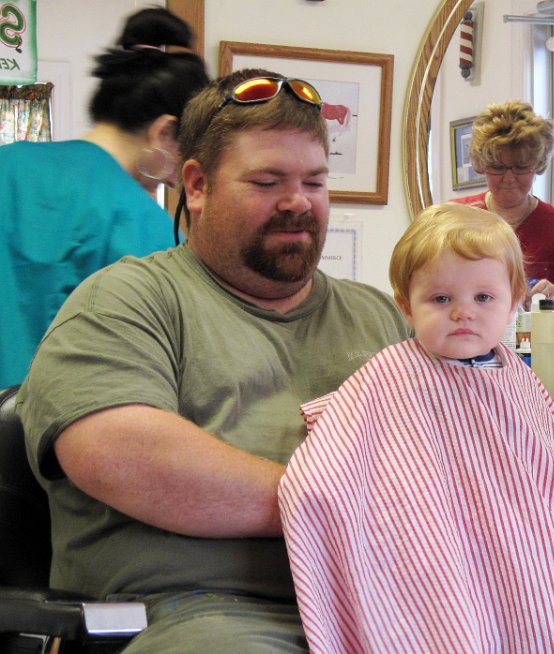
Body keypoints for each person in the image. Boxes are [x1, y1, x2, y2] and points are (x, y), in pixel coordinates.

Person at [17, 68, 410, 653]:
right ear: (196, 186)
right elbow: (117, 453)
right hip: (195, 615)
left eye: (316, 181)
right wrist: (333, 505)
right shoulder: (126, 301)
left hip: (383, 606)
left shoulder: (383, 318)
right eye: (267, 181)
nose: (298, 202)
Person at [279, 203, 554, 653]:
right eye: (441, 299)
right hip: (438, 558)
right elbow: (324, 470)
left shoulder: (516, 377)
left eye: (483, 298)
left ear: (515, 298)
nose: (464, 312)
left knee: (548, 621)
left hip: (530, 556)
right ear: (406, 305)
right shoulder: (390, 375)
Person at [0, 7, 210, 388]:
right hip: (49, 435)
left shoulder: (8, 164)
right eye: (188, 150)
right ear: (165, 132)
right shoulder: (143, 223)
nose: (181, 173)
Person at [453, 99, 554, 314]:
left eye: (521, 167)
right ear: (481, 165)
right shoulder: (455, 219)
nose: (509, 177)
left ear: (538, 165)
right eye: (497, 168)